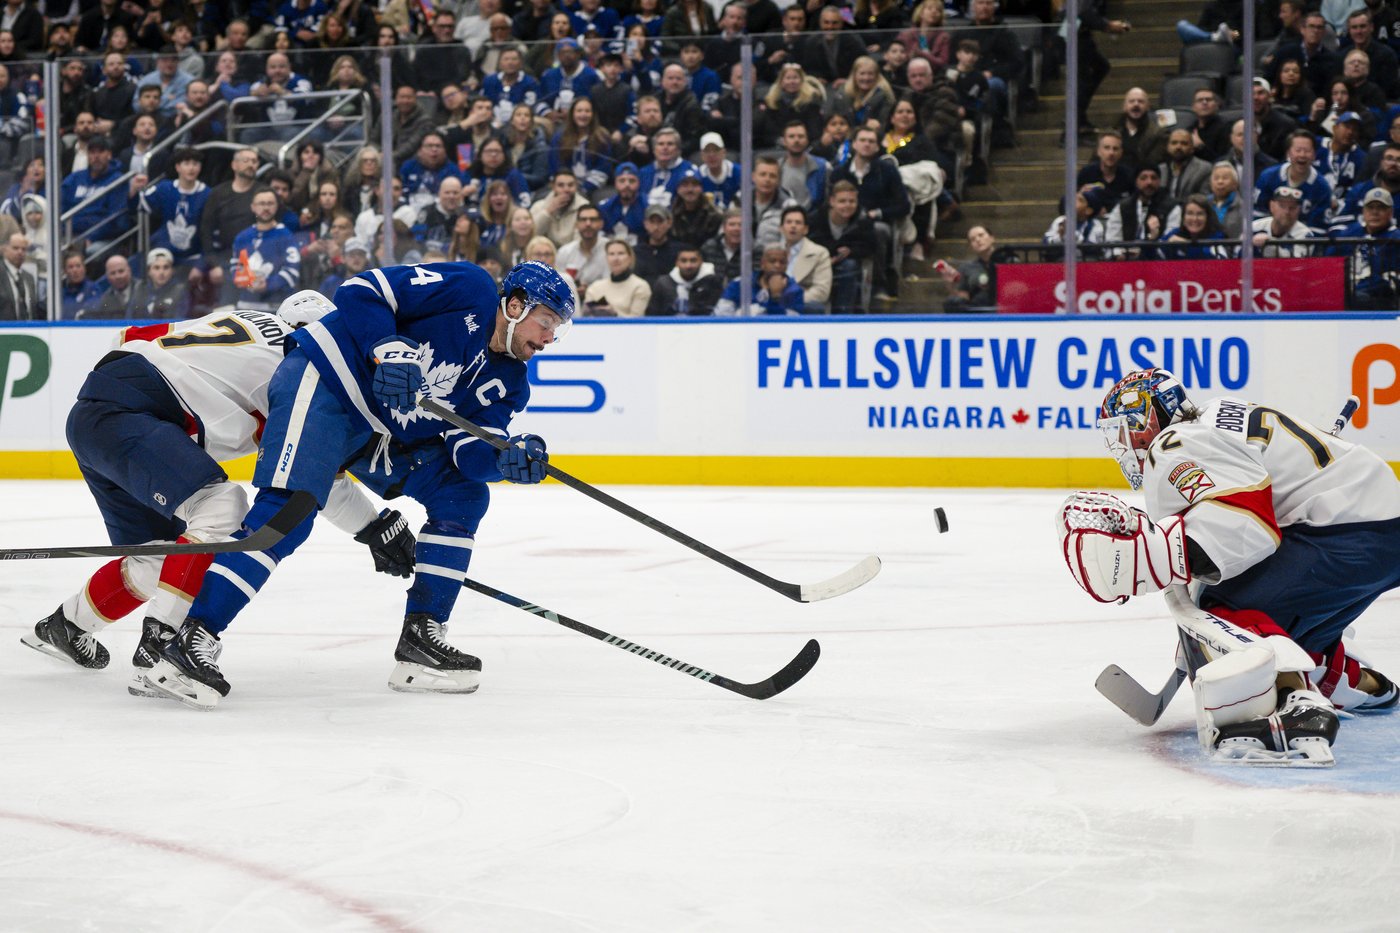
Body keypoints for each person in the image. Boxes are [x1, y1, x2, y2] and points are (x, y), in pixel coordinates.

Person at [145, 262, 577, 709]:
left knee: (462, 495)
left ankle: (421, 640)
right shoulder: (469, 288)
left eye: (556, 329)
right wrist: (388, 349)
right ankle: (191, 640)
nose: (549, 338)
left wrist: (503, 459)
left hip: (376, 430)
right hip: (326, 382)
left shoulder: (510, 382)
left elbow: (467, 453)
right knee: (288, 513)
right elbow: (362, 289)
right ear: (515, 305)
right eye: (546, 321)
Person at [21, 293, 412, 694]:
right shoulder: (296, 373)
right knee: (222, 506)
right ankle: (161, 649)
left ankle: (66, 626)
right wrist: (373, 526)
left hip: (93, 416)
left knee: (162, 558)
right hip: (134, 419)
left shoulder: (240, 319)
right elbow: (311, 476)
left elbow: (128, 337)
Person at [1057, 368, 1400, 763]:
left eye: (1123, 432)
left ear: (1146, 420)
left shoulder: (1174, 443)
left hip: (1347, 530)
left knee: (1225, 613)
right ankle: (1354, 681)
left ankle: (1294, 710)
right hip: (1375, 524)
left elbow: (1247, 524)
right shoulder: (1214, 416)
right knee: (1280, 619)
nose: (1122, 446)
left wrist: (1159, 556)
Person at [808, 181, 875, 314]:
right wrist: (827, 257)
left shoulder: (863, 220)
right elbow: (810, 243)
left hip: (846, 264)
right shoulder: (815, 218)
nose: (847, 205)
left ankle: (843, 314)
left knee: (850, 266)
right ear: (832, 201)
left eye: (852, 201)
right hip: (818, 262)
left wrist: (851, 251)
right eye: (842, 201)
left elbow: (871, 247)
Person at [1328, 187, 1400, 308]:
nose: (1375, 212)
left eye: (1381, 208)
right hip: (1347, 290)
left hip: (1379, 298)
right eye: (1370, 207)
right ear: (1363, 211)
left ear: (1390, 212)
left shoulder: (1396, 238)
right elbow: (1331, 258)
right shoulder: (1350, 232)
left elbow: (1389, 280)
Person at [230, 189, 301, 310]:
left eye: (270, 203)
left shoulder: (286, 236)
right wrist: (247, 283)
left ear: (277, 206)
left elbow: (292, 271)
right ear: (253, 207)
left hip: (276, 308)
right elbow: (235, 268)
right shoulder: (242, 237)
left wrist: (268, 284)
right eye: (261, 203)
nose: (266, 208)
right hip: (245, 307)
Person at [778, 206, 832, 312]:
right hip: (774, 306)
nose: (793, 226)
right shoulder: (772, 251)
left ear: (806, 229)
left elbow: (821, 292)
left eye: (798, 223)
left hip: (803, 308)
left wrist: (791, 300)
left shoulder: (820, 253)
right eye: (789, 222)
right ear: (781, 228)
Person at [646, 243, 721, 315]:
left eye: (693, 260)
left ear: (701, 262)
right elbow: (652, 313)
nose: (688, 265)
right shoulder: (663, 284)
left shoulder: (712, 282)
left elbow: (716, 312)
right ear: (676, 263)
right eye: (683, 261)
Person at [584, 239, 652, 316]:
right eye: (611, 254)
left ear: (630, 258)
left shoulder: (640, 286)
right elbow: (586, 316)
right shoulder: (595, 287)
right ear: (606, 258)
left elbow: (637, 319)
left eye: (621, 253)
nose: (615, 259)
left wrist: (614, 314)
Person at [1251, 185, 1319, 256]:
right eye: (1282, 206)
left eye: (1292, 208)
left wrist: (1269, 243)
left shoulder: (1305, 235)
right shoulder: (1254, 228)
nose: (1287, 212)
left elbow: (1296, 261)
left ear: (1299, 210)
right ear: (1272, 206)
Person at [556, 204, 608, 291]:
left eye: (593, 219)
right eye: (583, 220)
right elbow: (558, 285)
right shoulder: (564, 252)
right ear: (576, 224)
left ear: (601, 224)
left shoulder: (610, 250)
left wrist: (590, 290)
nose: (588, 224)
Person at [129, 247, 190, 319]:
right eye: (156, 268)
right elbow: (129, 318)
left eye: (166, 267)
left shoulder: (180, 291)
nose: (161, 272)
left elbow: (181, 319)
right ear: (149, 271)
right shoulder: (140, 289)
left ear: (172, 270)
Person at [0, 230, 36, 319]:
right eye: (15, 248)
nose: (20, 252)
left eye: (23, 249)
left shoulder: (29, 278)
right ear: (4, 249)